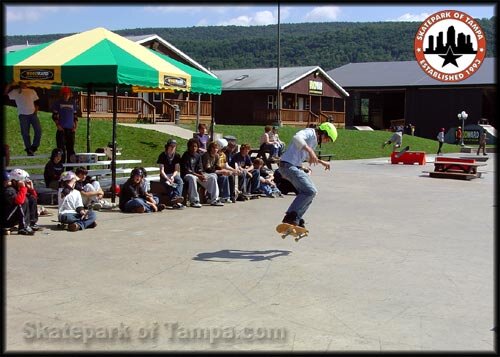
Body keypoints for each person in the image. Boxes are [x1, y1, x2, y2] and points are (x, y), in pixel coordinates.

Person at [279, 122, 337, 228]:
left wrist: (321, 162)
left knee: (309, 194)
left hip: (291, 167)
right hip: (288, 166)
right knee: (310, 190)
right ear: (323, 133)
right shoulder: (310, 132)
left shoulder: (313, 141)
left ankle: (296, 218)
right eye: (327, 139)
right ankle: (291, 217)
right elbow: (296, 138)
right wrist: (310, 150)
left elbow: (306, 156)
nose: (326, 142)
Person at [180, 138, 224, 207]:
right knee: (192, 178)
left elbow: (200, 168)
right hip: (187, 175)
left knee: (212, 177)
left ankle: (214, 199)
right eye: (192, 146)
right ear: (189, 147)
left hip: (197, 175)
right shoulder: (185, 155)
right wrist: (199, 175)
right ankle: (194, 201)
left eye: (196, 146)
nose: (194, 148)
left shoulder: (198, 156)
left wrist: (202, 175)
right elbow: (187, 170)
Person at [4, 81, 42, 156]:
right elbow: (5, 96)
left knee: (38, 130)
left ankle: (34, 147)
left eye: (25, 82)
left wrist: (36, 111)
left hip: (33, 114)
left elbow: (37, 101)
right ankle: (28, 149)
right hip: (23, 115)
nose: (24, 83)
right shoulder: (15, 91)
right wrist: (9, 85)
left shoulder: (32, 91)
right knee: (25, 133)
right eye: (21, 82)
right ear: (19, 83)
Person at [2, 169, 41, 235]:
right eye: (22, 181)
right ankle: (23, 228)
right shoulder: (9, 190)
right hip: (6, 220)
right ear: (15, 181)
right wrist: (23, 188)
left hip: (10, 217)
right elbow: (19, 201)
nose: (24, 183)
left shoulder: (15, 188)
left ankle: (31, 223)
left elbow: (34, 198)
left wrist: (31, 189)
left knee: (31, 198)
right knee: (23, 200)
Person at [51, 86, 79, 163]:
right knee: (61, 149)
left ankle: (70, 169)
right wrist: (58, 125)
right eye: (64, 94)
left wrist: (75, 126)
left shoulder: (73, 103)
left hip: (71, 129)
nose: (65, 95)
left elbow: (75, 115)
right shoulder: (58, 102)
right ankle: (61, 167)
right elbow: (54, 115)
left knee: (71, 149)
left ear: (70, 94)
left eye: (67, 94)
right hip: (62, 129)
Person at [156, 138, 184, 208]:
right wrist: (167, 178)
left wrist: (172, 176)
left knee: (179, 181)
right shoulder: (162, 155)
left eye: (174, 146)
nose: (172, 148)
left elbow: (176, 170)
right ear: (167, 146)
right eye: (171, 146)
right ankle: (175, 200)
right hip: (164, 175)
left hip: (172, 174)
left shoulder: (177, 156)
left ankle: (176, 198)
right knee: (169, 185)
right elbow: (162, 171)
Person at [216, 138, 239, 203]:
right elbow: (217, 167)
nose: (224, 150)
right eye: (223, 148)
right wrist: (224, 171)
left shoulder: (223, 155)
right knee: (226, 176)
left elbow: (226, 165)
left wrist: (234, 170)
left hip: (223, 170)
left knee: (232, 175)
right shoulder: (216, 155)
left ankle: (232, 195)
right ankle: (225, 196)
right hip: (217, 171)